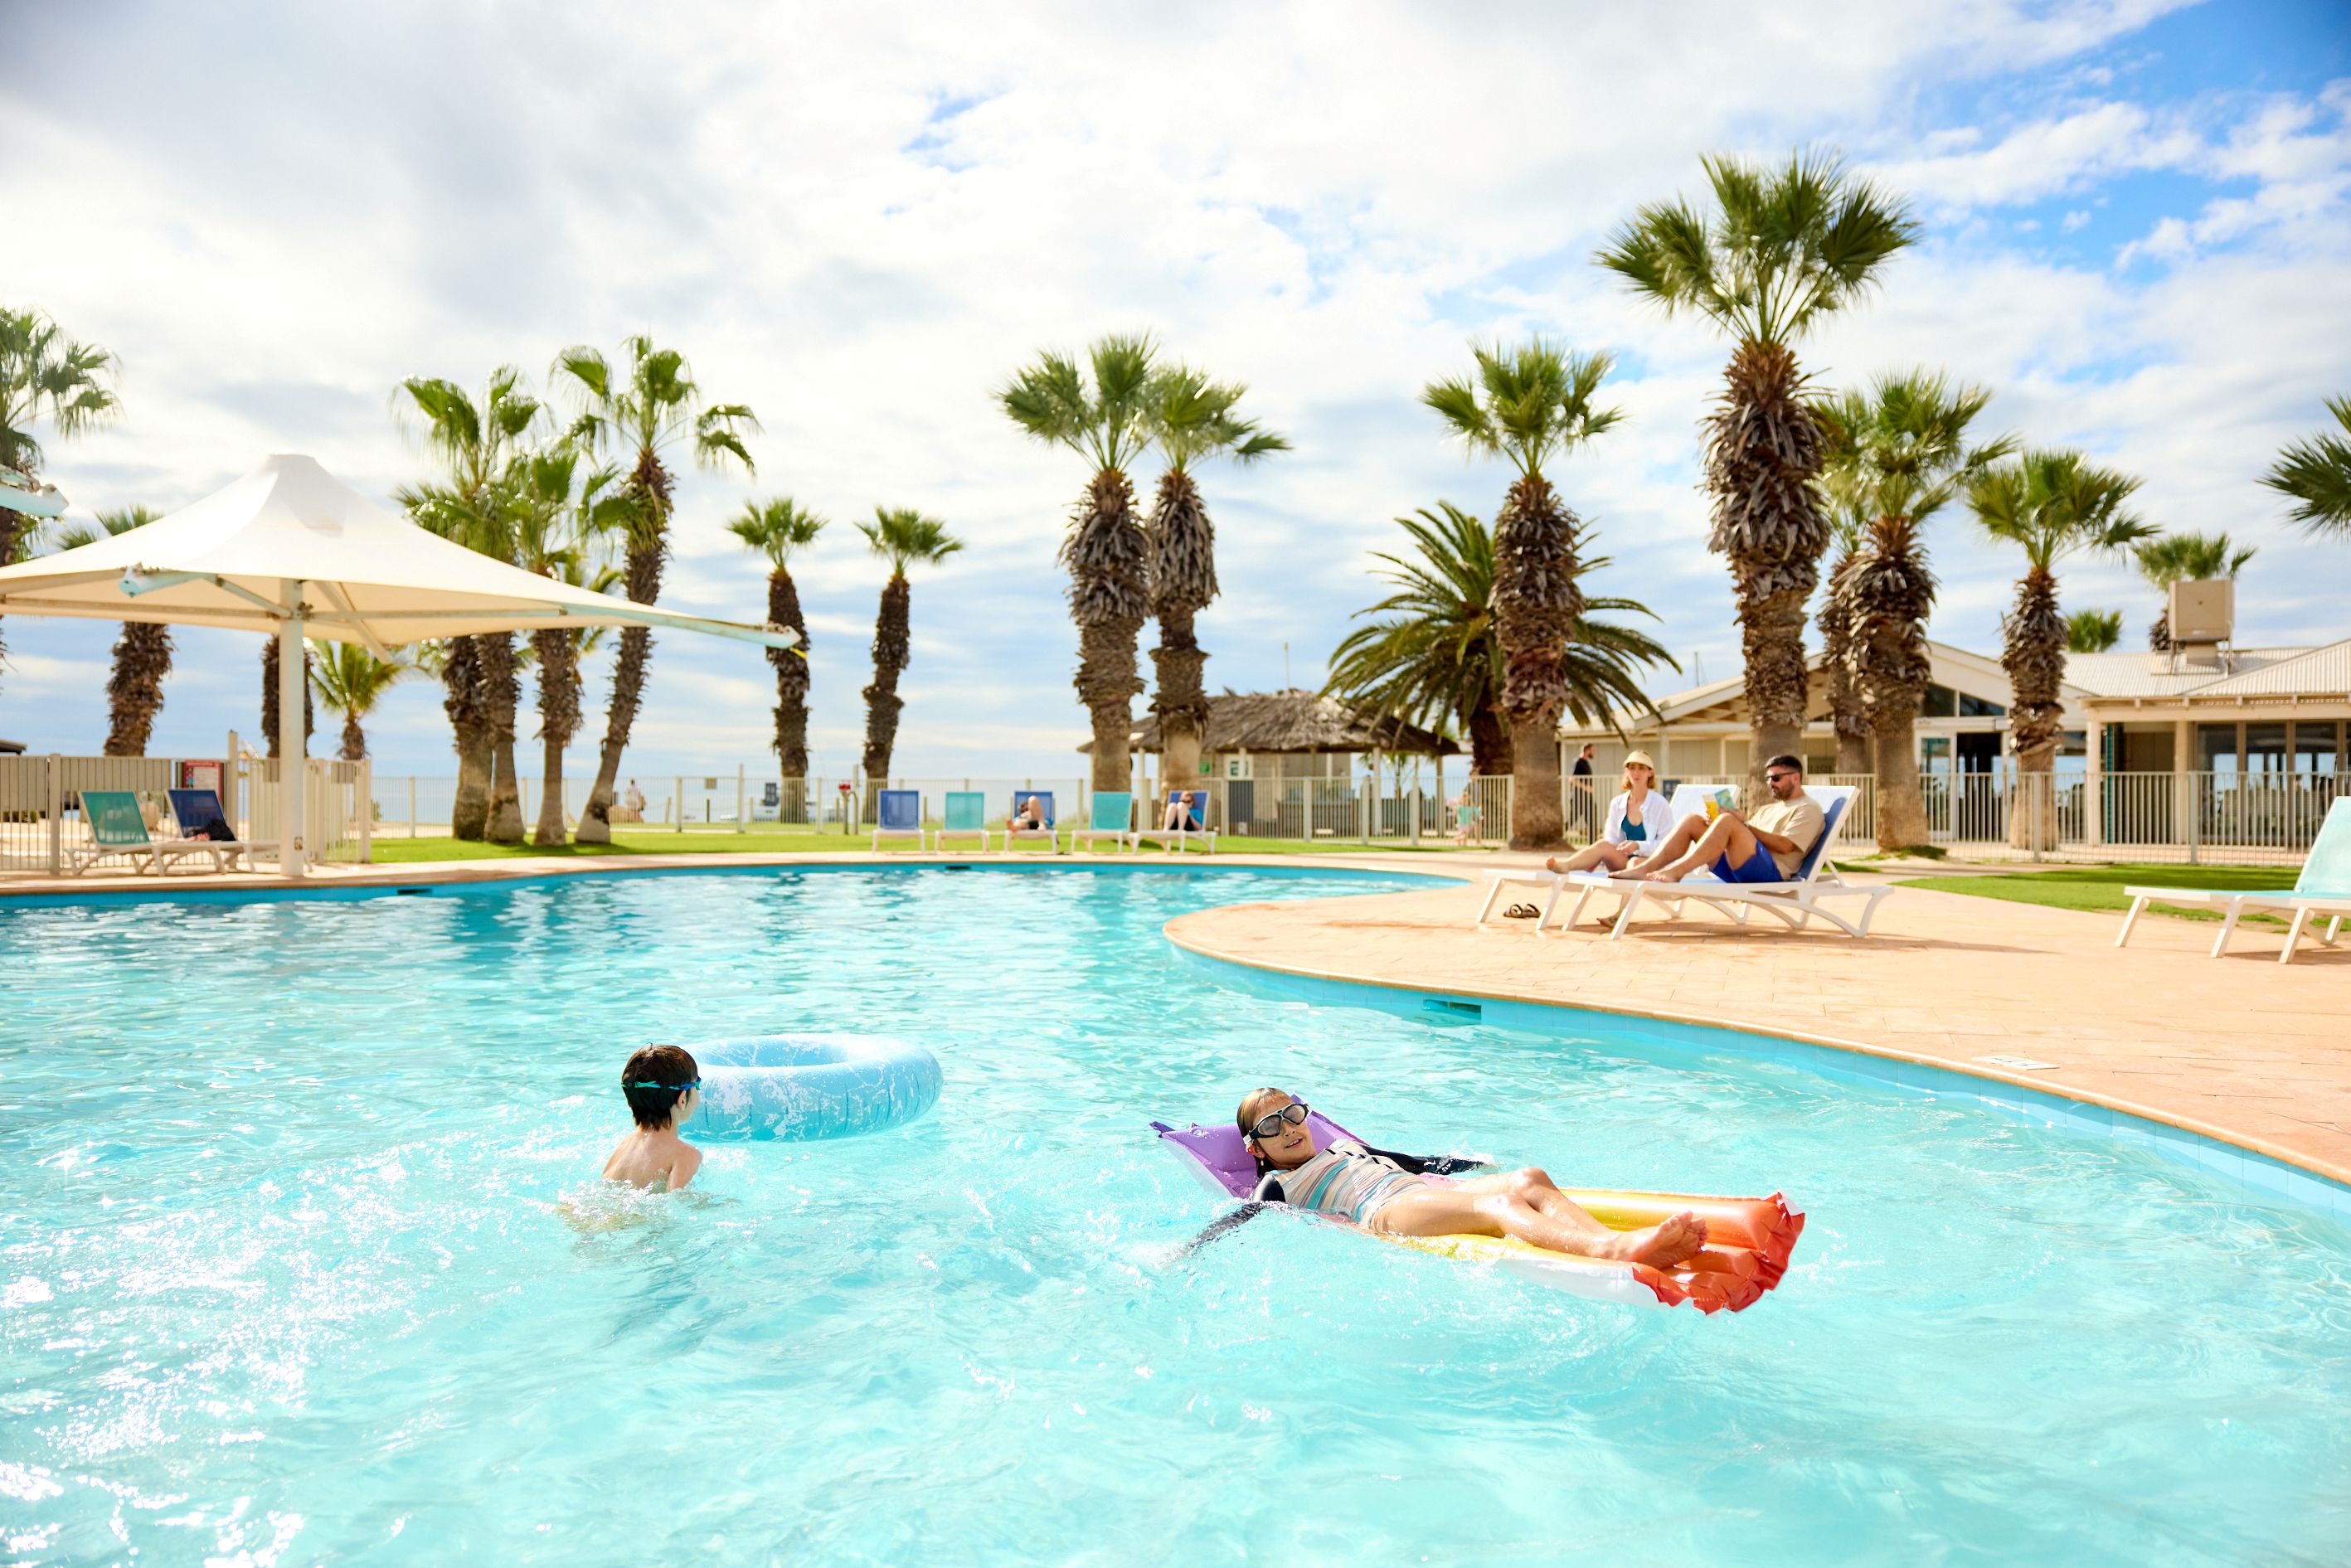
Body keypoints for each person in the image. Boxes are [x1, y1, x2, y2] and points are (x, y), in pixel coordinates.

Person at [1236, 1088, 1707, 1268]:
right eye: (1270, 1126)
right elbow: (1244, 1215)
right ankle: (1610, 1250)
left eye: (1292, 1113)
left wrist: (1468, 1163)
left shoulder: (1346, 1147)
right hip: (1384, 1210)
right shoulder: (1279, 1183)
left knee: (1528, 1179)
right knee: (1499, 1207)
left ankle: (1616, 1239)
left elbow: (1414, 1163)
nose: (1289, 1128)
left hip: (1417, 1192)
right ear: (1255, 1148)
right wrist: (1186, 1249)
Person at [1611, 754, 1823, 885]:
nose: (1770, 783)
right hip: (1739, 868)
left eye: (1776, 778)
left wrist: (1739, 824)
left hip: (1770, 873)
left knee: (1729, 821)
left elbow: (1785, 846)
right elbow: (1748, 838)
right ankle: (1646, 868)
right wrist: (1719, 826)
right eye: (1768, 778)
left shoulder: (1808, 809)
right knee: (1693, 821)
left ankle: (1677, 871)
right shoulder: (1769, 809)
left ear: (1796, 777)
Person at [1542, 750, 1675, 878]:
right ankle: (1565, 865)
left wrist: (1638, 846)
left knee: (1634, 864)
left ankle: (1626, 900)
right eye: (1632, 768)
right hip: (1623, 862)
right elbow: (1611, 840)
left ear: (1650, 772)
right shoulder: (1617, 803)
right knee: (1603, 845)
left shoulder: (1660, 804)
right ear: (1627, 771)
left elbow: (1668, 845)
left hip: (1651, 863)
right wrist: (1597, 858)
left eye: (1641, 768)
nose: (1636, 772)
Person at [602, 1045, 704, 1192]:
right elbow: (678, 1203)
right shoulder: (686, 1154)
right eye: (697, 1085)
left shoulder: (625, 1145)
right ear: (682, 1099)